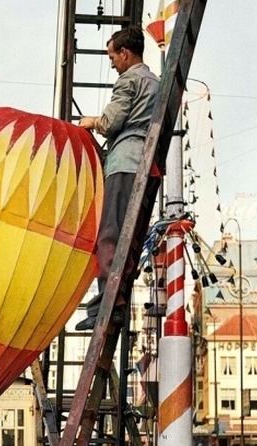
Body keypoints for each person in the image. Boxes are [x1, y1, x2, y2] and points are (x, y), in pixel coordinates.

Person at [75, 25, 159, 331]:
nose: (111, 63)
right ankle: (115, 303)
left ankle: (107, 307)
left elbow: (111, 123)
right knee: (130, 237)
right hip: (147, 166)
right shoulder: (155, 81)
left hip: (125, 163)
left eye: (112, 56)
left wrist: (92, 121)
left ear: (125, 53)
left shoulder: (129, 80)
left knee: (110, 234)